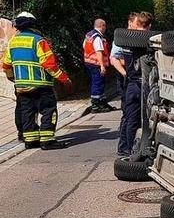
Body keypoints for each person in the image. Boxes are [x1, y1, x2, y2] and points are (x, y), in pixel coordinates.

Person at [2, 12, 71, 150]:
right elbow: (49, 64)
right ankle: (47, 141)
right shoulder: (38, 40)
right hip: (41, 85)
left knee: (28, 113)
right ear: (33, 24)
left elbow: (6, 65)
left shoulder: (13, 42)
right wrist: (64, 79)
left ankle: (31, 141)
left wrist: (12, 78)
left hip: (21, 86)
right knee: (48, 111)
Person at [117, 11, 153, 156]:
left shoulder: (126, 40)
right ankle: (132, 149)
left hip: (132, 83)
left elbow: (116, 58)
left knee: (130, 118)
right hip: (142, 84)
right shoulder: (150, 41)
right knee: (140, 119)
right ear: (149, 26)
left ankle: (126, 148)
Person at [111, 13, 138, 156]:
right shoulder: (122, 38)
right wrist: (126, 73)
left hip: (133, 78)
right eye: (137, 23)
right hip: (126, 79)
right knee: (127, 114)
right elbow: (114, 59)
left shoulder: (138, 38)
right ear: (130, 23)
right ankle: (123, 146)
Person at [83, 18, 115, 113]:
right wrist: (102, 65)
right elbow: (98, 52)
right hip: (96, 64)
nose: (105, 28)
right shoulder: (97, 37)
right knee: (98, 84)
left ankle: (102, 102)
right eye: (104, 26)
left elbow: (84, 46)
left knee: (98, 83)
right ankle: (96, 105)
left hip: (89, 63)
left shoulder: (89, 35)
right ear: (102, 26)